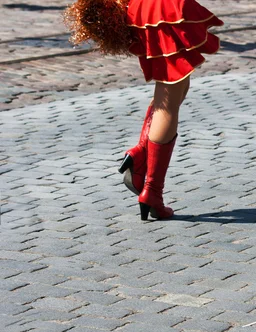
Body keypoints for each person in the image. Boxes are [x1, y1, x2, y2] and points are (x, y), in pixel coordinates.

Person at [65, 0, 223, 220]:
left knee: (176, 84)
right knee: (168, 97)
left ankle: (140, 153)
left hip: (143, 8)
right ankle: (152, 191)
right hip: (163, 8)